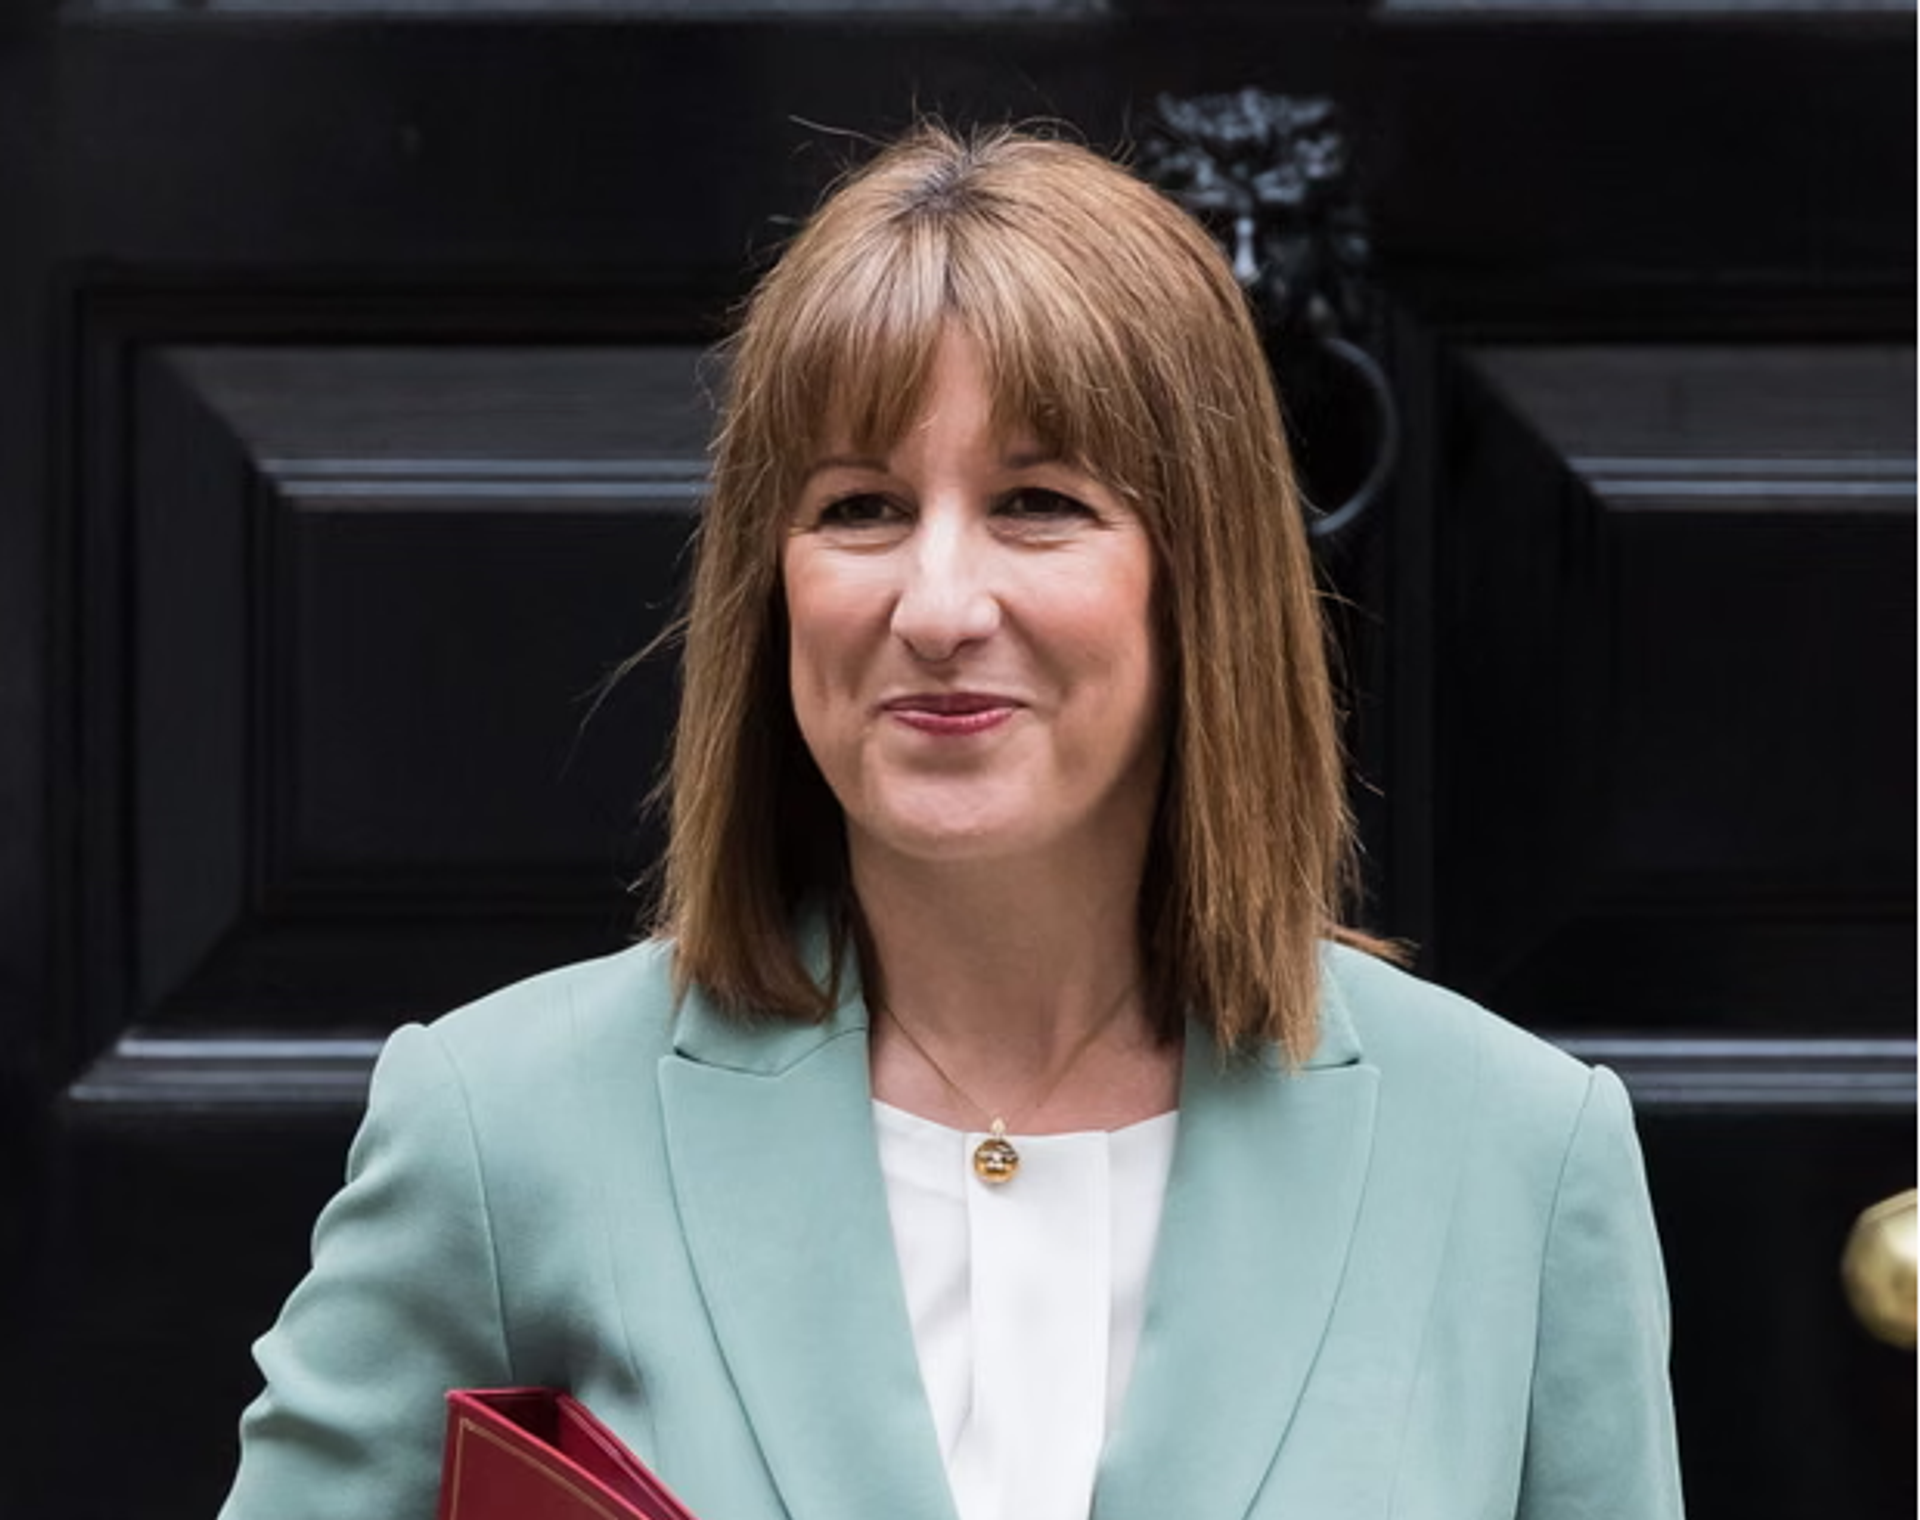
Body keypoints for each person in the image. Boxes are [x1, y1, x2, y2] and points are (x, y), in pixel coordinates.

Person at [217, 124, 1684, 1520]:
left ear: (1203, 582)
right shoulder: (501, 1127)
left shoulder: (1517, 1158)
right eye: (859, 507)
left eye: (1038, 502)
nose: (936, 605)